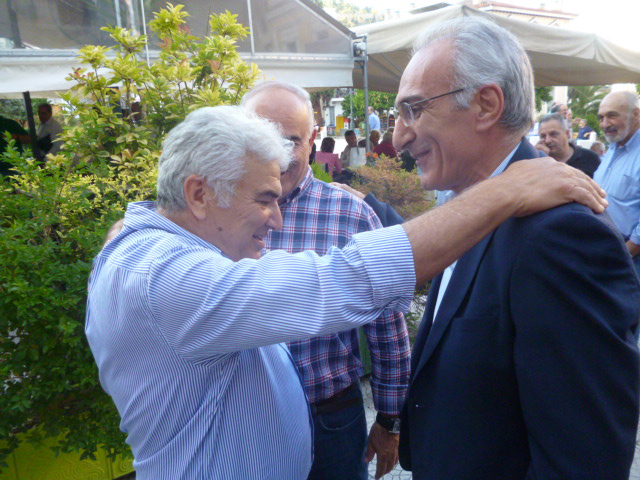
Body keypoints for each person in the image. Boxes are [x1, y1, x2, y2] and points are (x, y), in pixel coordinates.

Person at [88, 104, 607, 479]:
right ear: (199, 194)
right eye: (265, 199)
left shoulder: (159, 252)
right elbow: (342, 279)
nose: (277, 219)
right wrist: (507, 189)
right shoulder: (162, 278)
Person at [391, 17, 640, 480]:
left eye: (414, 109)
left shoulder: (562, 236)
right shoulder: (468, 206)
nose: (399, 137)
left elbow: (583, 459)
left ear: (485, 105)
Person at [242, 81, 410, 480]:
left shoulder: (349, 213)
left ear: (313, 139)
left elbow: (386, 327)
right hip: (245, 420)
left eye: (291, 141)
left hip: (329, 418)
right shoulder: (215, 212)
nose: (276, 155)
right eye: (262, 138)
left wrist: (389, 419)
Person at [594, 90, 640, 275]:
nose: (605, 124)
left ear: (636, 114)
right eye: (601, 117)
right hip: (606, 247)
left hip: (630, 257)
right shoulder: (613, 148)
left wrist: (626, 253)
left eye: (612, 115)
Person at [536, 113, 600, 177]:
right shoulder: (538, 162)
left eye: (553, 134)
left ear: (567, 134)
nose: (547, 140)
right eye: (543, 136)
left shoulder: (590, 158)